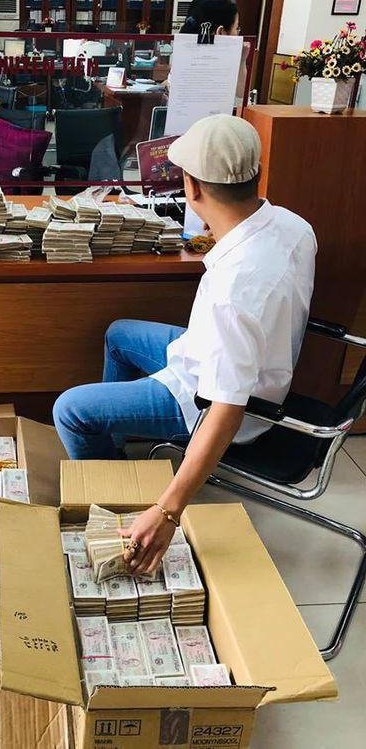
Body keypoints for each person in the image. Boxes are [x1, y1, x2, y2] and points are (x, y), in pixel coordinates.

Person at [53, 114, 317, 575]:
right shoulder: (294, 226)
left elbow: (226, 408)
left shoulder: (234, 288)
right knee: (120, 334)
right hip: (235, 357)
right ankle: (118, 464)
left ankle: (120, 517)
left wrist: (169, 512)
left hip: (213, 400)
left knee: (70, 410)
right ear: (255, 174)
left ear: (191, 188)